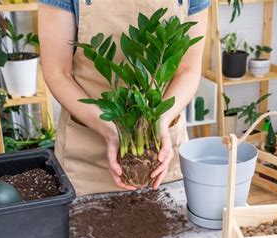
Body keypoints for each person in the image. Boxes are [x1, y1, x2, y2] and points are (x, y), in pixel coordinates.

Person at [38, 0, 210, 196]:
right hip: (87, 156)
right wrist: (110, 130)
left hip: (160, 152)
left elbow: (187, 71)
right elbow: (58, 73)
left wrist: (160, 120)